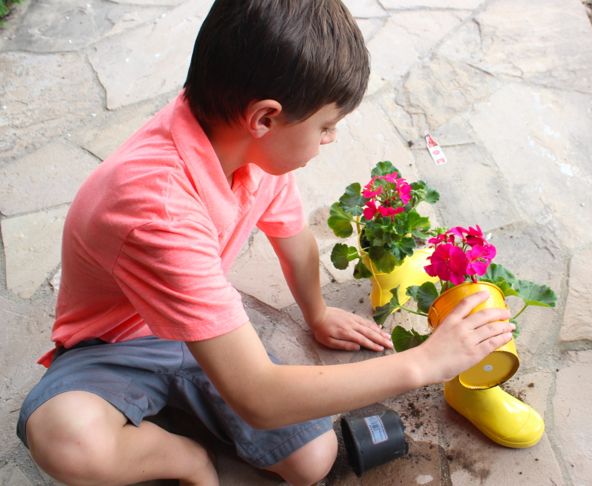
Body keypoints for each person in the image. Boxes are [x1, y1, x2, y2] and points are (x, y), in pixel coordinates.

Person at [16, 1, 514, 485]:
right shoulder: (156, 208)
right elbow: (258, 395)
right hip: (115, 343)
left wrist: (316, 312)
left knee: (313, 460)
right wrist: (423, 363)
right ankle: (186, 458)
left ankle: (190, 408)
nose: (330, 139)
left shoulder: (243, 143)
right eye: (325, 125)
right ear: (265, 118)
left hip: (201, 328)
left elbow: (293, 236)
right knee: (67, 440)